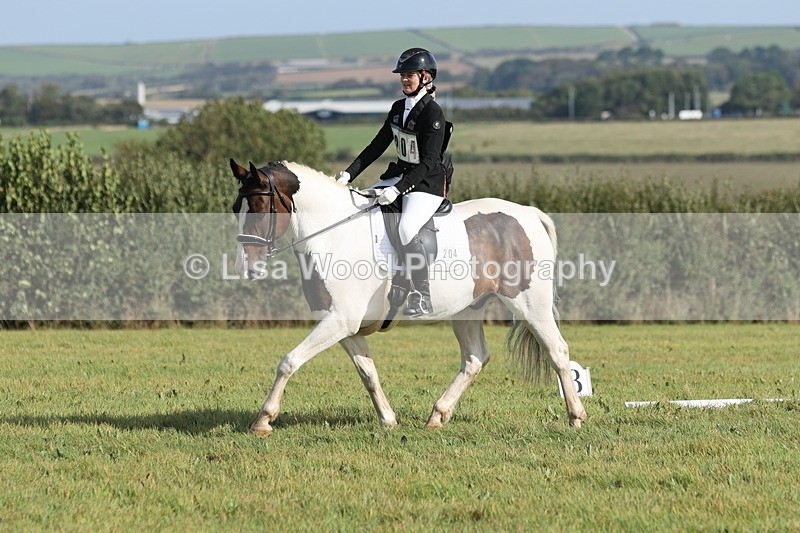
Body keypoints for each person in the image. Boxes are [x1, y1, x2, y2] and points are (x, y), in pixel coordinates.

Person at [337, 48, 448, 317]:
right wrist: (349, 174)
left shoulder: (433, 113)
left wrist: (398, 189)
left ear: (425, 77)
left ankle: (422, 296)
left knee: (408, 227)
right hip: (400, 175)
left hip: (427, 183)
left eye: (409, 75)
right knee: (360, 207)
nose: (404, 80)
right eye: (402, 76)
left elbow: (429, 162)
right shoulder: (398, 108)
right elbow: (377, 145)